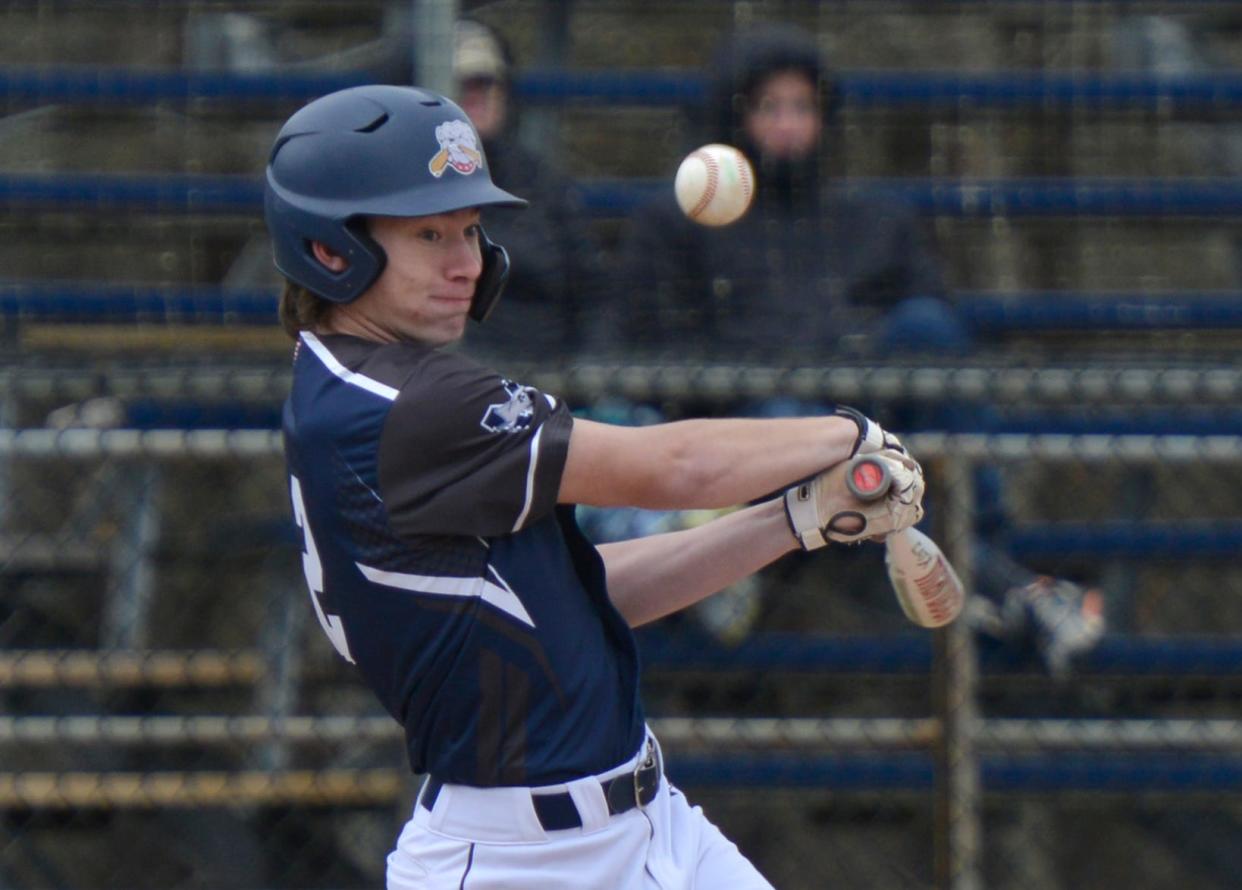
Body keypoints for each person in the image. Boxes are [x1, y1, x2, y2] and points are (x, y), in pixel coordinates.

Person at [265, 84, 925, 888]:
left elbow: (583, 593)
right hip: (527, 861)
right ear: (331, 251)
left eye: (472, 230)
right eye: (429, 235)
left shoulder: (360, 381)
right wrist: (852, 434)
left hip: (651, 823)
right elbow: (672, 470)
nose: (467, 264)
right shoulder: (406, 404)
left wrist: (796, 517)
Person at [600, 22, 1104, 674]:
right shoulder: (674, 224)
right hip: (760, 431)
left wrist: (846, 356)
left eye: (802, 107)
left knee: (923, 332)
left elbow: (930, 324)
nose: (787, 126)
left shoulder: (871, 220)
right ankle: (1010, 589)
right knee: (798, 425)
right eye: (769, 108)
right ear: (736, 115)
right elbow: (645, 352)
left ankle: (983, 554)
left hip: (867, 420)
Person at [449, 17, 607, 360]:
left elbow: (593, 294)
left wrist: (589, 377)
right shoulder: (407, 190)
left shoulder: (544, 184)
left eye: (485, 82)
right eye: (461, 84)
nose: (475, 96)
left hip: (554, 384)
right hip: (452, 389)